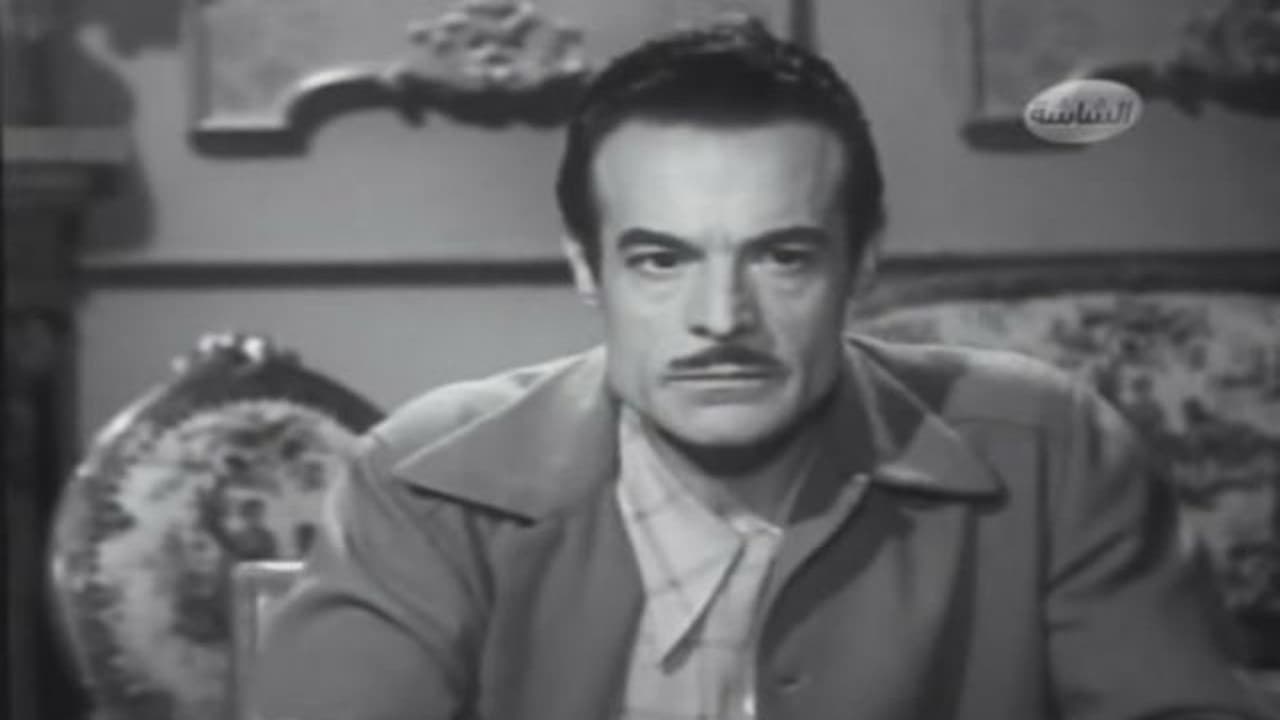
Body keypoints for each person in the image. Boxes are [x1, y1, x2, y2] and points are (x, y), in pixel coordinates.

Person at [254, 19, 1275, 720]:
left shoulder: (1049, 453)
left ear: (860, 263)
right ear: (586, 269)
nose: (720, 319)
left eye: (781, 256)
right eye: (661, 261)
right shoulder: (426, 483)